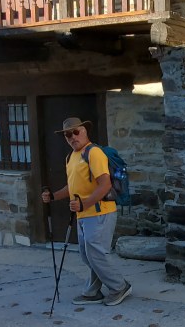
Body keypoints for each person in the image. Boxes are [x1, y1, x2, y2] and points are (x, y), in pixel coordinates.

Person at [41, 116, 132, 306]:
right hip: (84, 214)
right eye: (68, 134)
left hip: (100, 212)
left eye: (76, 132)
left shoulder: (94, 153)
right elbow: (72, 186)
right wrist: (53, 196)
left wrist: (84, 204)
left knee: (96, 253)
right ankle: (92, 292)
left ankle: (119, 287)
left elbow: (105, 185)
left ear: (84, 131)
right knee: (87, 254)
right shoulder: (71, 157)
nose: (73, 137)